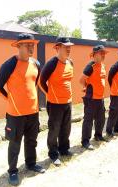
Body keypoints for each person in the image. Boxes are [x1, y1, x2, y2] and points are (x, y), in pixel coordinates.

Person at [0, 33, 45, 186]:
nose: (31, 47)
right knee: (15, 143)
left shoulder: (36, 63)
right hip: (15, 114)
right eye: (27, 44)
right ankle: (13, 171)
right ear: (18, 46)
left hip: (33, 112)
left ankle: (30, 163)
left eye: (32, 44)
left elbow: (34, 83)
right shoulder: (9, 65)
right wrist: (10, 100)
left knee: (32, 140)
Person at [39, 37, 74, 166]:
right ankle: (53, 154)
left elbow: (68, 82)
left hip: (68, 102)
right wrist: (51, 95)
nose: (69, 49)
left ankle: (64, 149)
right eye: (66, 47)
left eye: (70, 46)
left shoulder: (70, 62)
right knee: (54, 130)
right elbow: (41, 82)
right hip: (55, 104)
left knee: (66, 128)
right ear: (58, 48)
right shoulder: (52, 63)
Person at [80, 45, 108, 150]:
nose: (103, 55)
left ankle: (98, 135)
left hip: (100, 98)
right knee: (88, 120)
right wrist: (86, 87)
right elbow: (81, 80)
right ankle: (85, 141)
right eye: (101, 53)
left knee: (100, 118)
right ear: (95, 54)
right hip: (91, 98)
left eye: (104, 53)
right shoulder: (90, 66)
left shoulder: (103, 66)